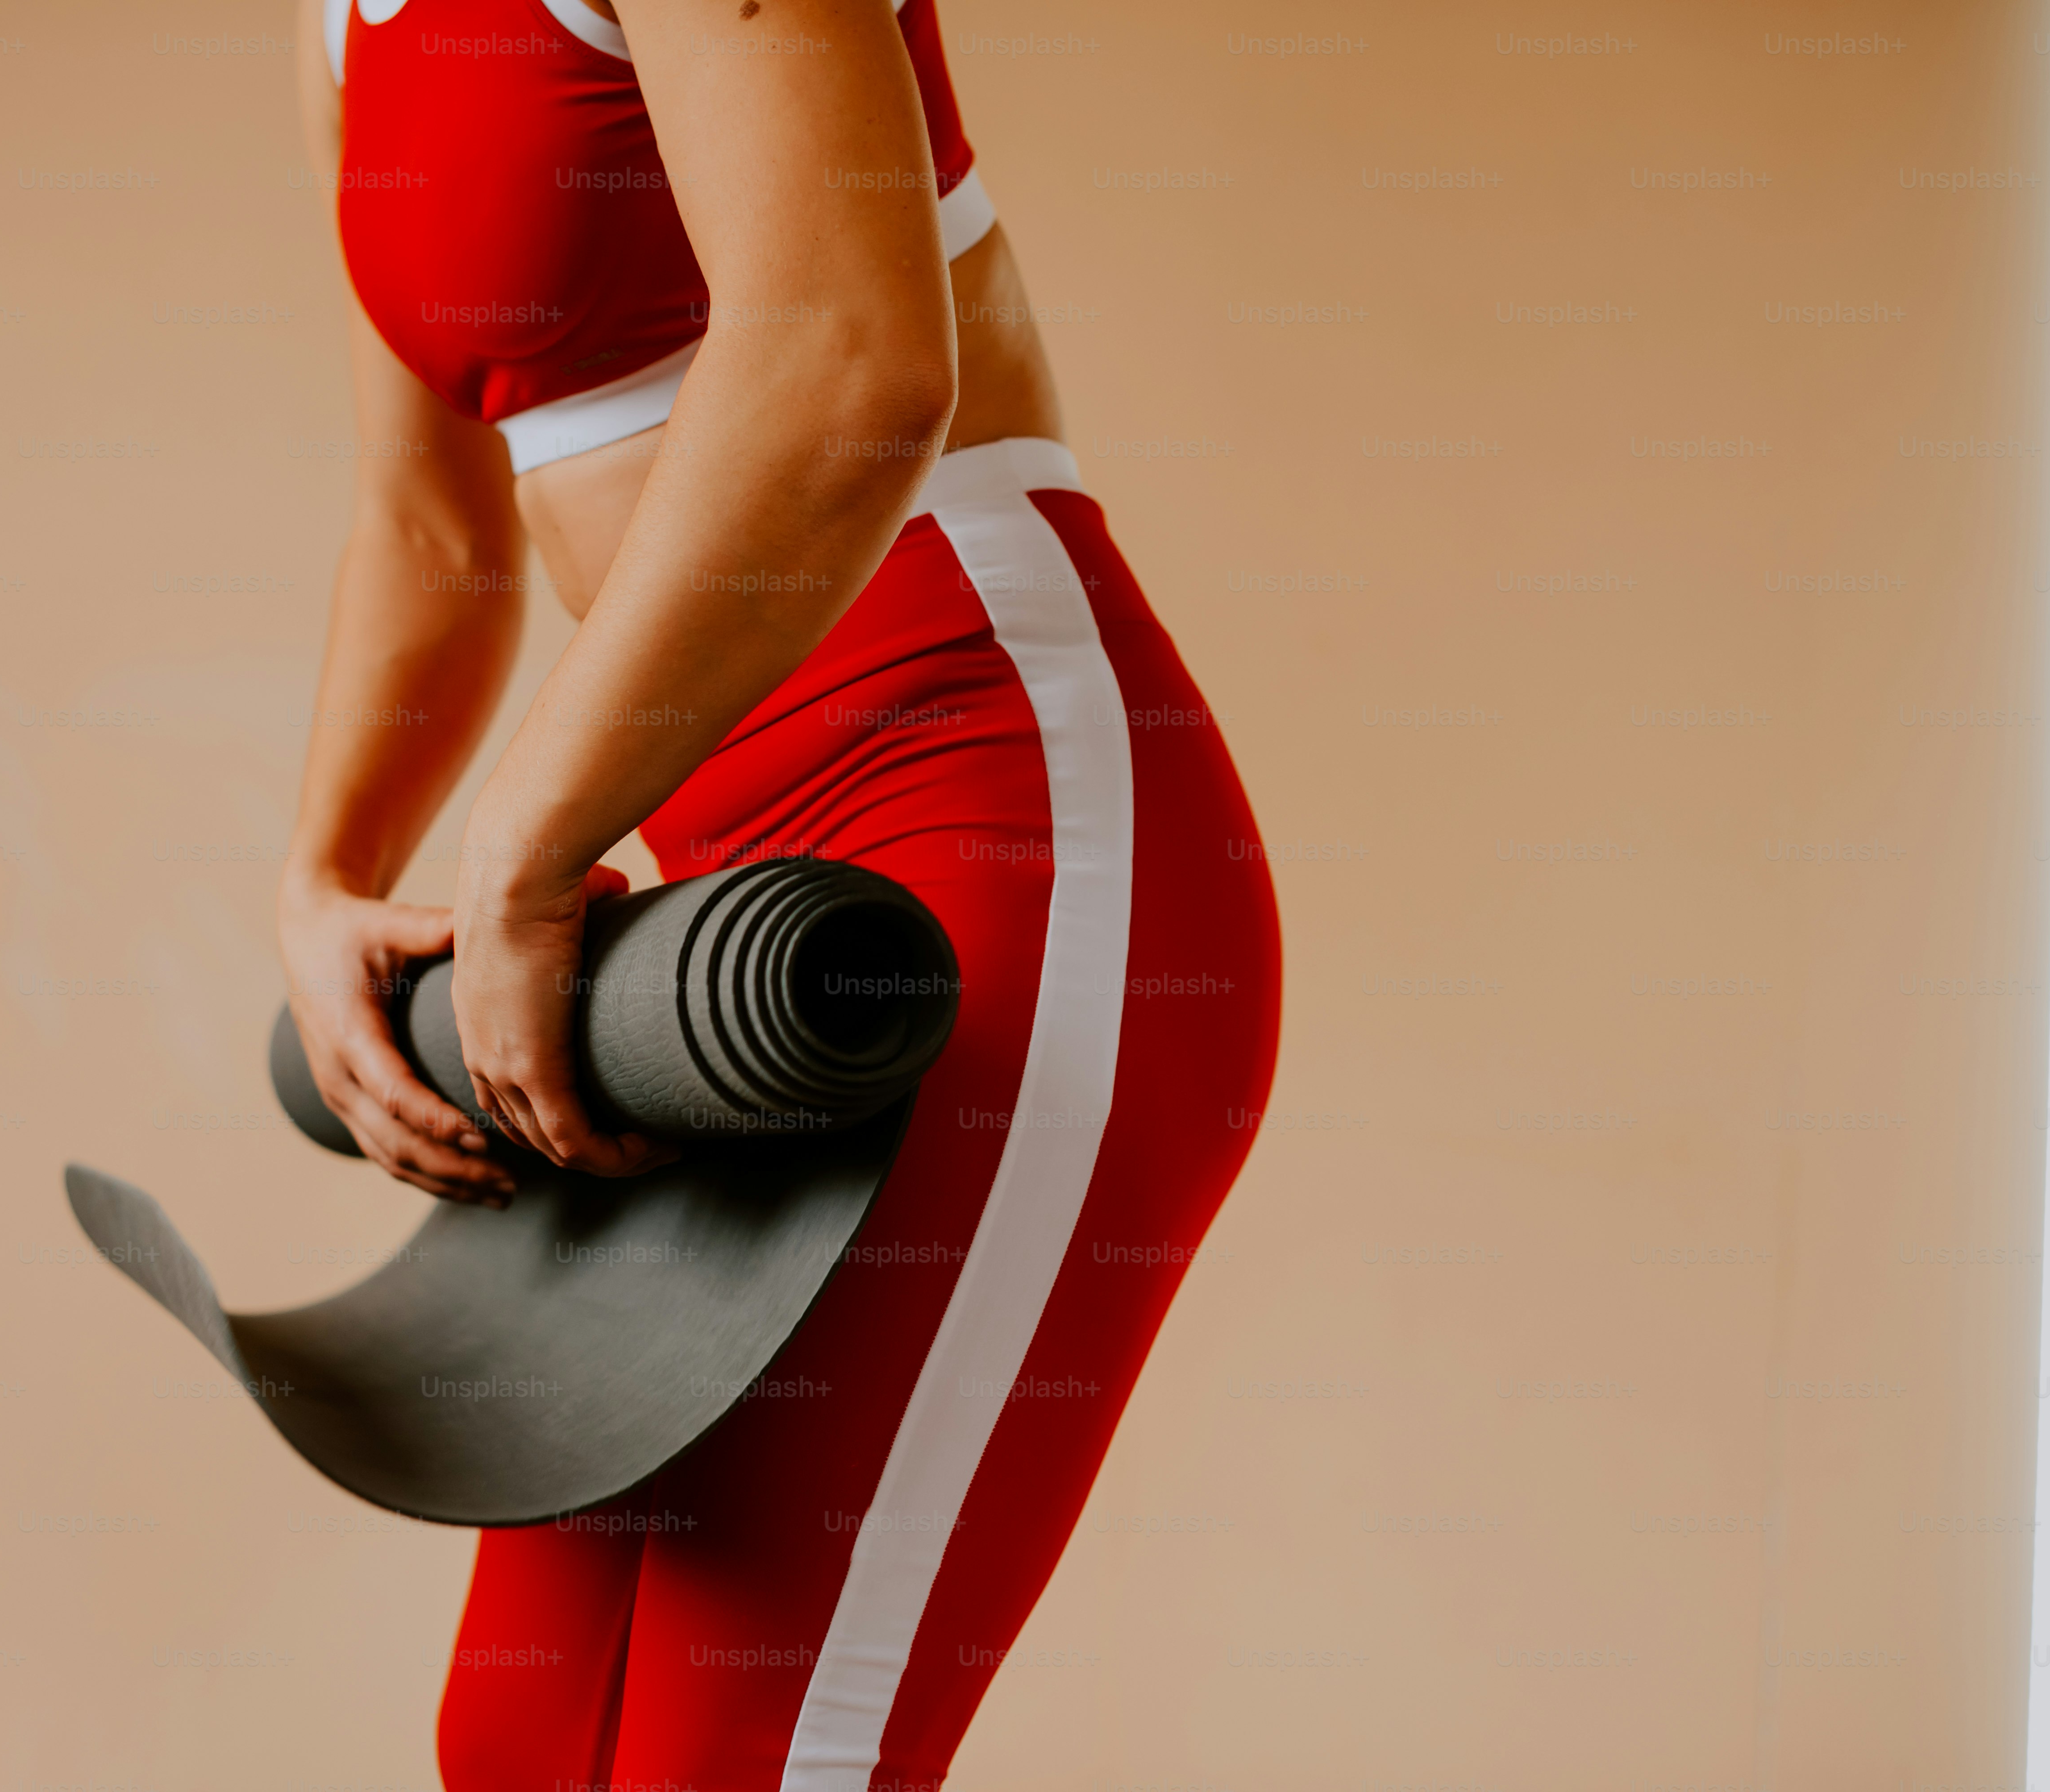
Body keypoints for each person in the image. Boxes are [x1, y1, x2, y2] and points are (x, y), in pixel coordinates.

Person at [273, 0, 1281, 1783]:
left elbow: (849, 364)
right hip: (710, 945)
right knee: (523, 1741)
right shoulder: (340, 19)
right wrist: (327, 875)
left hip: (986, 821)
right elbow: (428, 522)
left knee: (748, 1748)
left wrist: (520, 842)